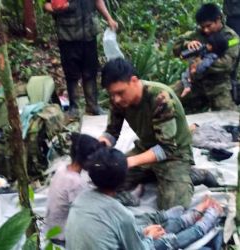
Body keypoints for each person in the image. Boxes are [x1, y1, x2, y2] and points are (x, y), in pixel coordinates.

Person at [65, 147, 223, 250]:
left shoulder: (81, 199)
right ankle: (204, 221)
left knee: (152, 227)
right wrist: (148, 238)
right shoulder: (121, 215)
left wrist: (143, 233)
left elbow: (113, 232)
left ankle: (191, 216)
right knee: (165, 242)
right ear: (122, 179)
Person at [99, 58, 193, 210]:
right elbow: (112, 132)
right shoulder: (118, 99)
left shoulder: (160, 98)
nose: (116, 99)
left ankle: (191, 175)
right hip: (145, 148)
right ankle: (152, 174)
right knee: (105, 180)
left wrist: (130, 162)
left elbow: (166, 149)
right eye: (112, 94)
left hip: (175, 154)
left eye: (120, 93)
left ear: (134, 81)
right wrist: (102, 143)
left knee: (173, 209)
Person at [44, 0, 118, 120]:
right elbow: (47, 4)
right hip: (68, 35)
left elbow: (98, 1)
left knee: (90, 72)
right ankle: (74, 107)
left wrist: (109, 18)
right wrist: (57, 8)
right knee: (71, 74)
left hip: (89, 34)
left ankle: (93, 105)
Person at [173, 3, 239, 111]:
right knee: (165, 98)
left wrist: (199, 64)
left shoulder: (231, 37)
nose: (206, 30)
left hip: (218, 86)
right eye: (203, 27)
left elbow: (226, 64)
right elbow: (175, 48)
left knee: (229, 119)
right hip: (195, 83)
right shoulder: (198, 33)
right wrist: (187, 44)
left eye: (209, 26)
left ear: (218, 19)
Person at [43, 133, 104, 245]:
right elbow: (86, 212)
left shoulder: (62, 168)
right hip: (61, 236)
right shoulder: (76, 182)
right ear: (87, 159)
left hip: (50, 229)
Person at [180, 32, 228, 98]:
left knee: (184, 75)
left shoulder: (212, 56)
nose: (207, 45)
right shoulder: (207, 51)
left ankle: (187, 87)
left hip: (200, 74)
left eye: (209, 44)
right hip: (197, 71)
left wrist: (195, 70)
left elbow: (204, 65)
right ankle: (187, 85)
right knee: (185, 74)